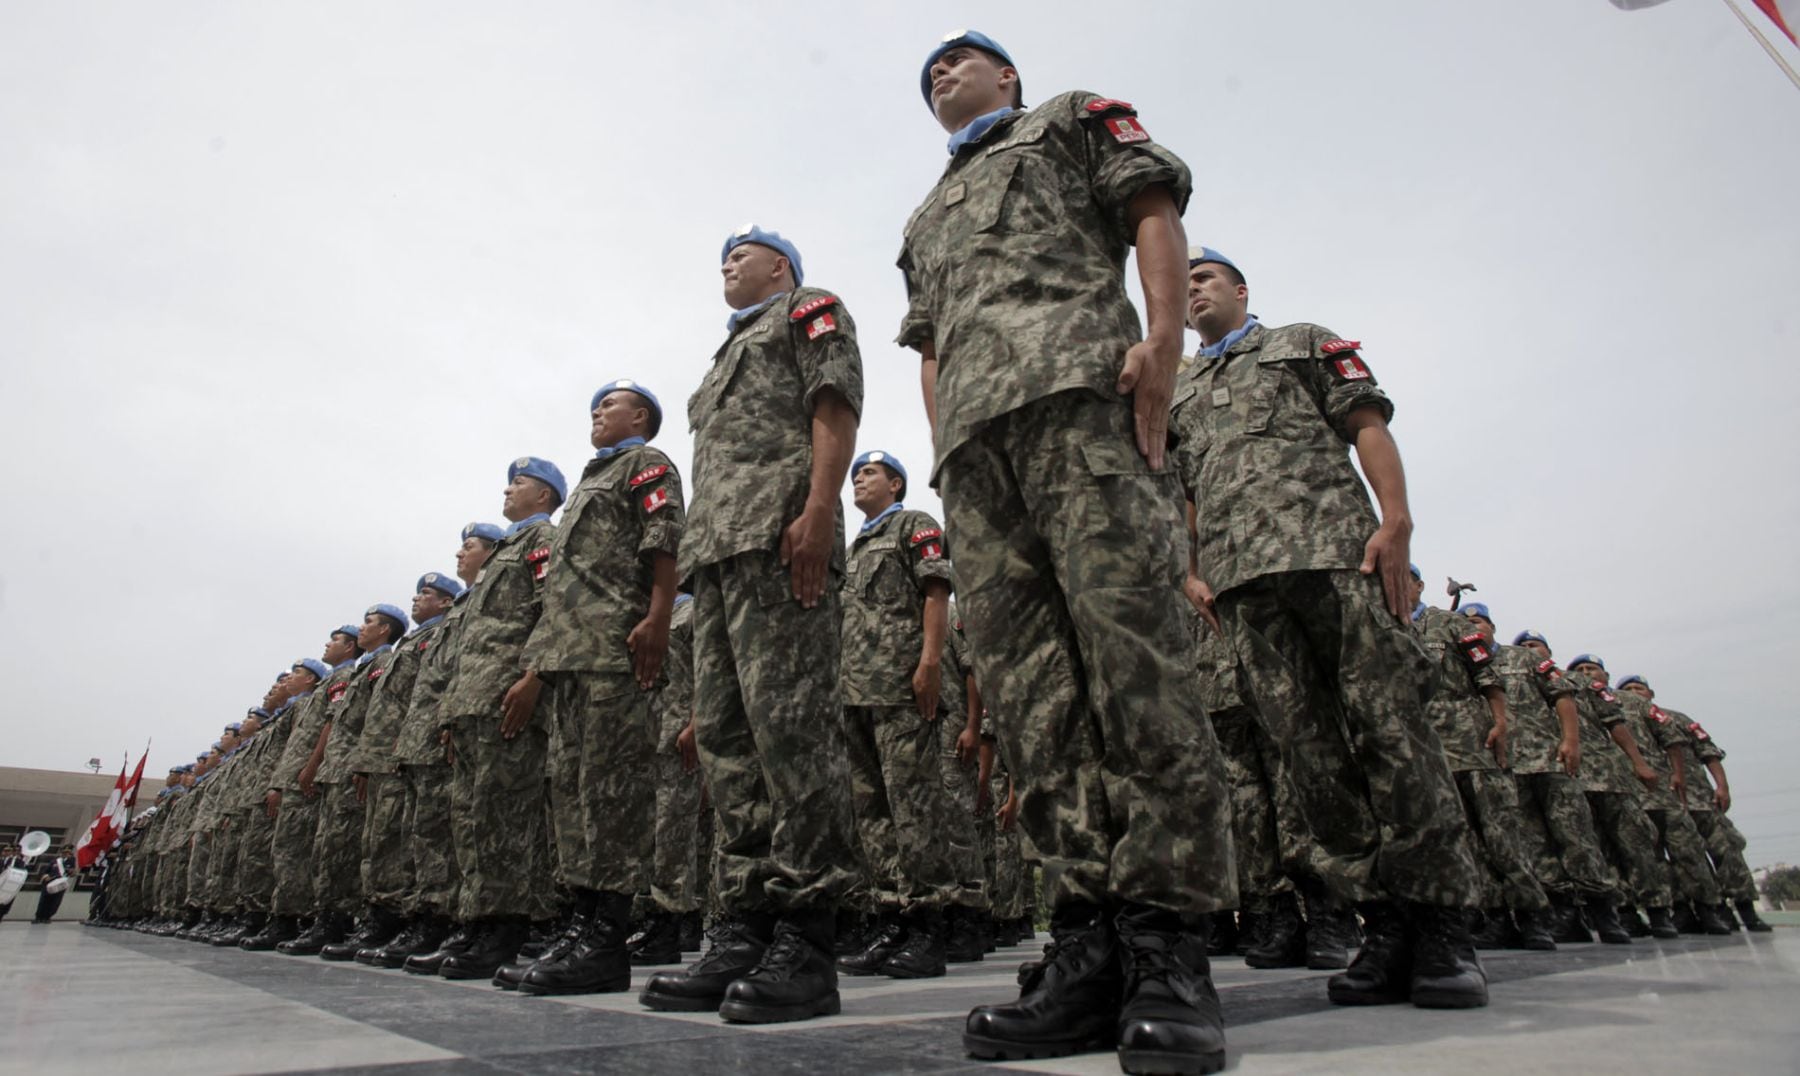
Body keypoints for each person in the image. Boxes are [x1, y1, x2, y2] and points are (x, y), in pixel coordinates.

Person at [900, 32, 1234, 1071]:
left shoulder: (1070, 119)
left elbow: (1152, 213)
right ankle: (1086, 938)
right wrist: (944, 451)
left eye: (962, 61)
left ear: (1009, 77)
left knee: (1136, 665)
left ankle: (1169, 945)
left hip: (1082, 407)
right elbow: (934, 346)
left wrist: (1166, 342)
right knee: (1035, 697)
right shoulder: (922, 218)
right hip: (977, 456)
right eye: (928, 77)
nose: (941, 76)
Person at [1172, 246, 1486, 1013]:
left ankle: (1441, 925)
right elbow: (1179, 490)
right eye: (1180, 284)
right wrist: (1189, 568)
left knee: (1393, 734)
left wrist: (1397, 518)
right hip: (1245, 589)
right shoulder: (1175, 391)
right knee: (1307, 756)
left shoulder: (1302, 343)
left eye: (1204, 277)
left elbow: (1366, 422)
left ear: (1241, 288)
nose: (1191, 291)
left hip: (1337, 558)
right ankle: (1381, 920)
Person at [639, 224, 862, 1025]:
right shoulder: (720, 360)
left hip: (780, 541)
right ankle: (744, 924)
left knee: (791, 734)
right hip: (719, 557)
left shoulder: (810, 308)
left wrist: (817, 510)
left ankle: (806, 932)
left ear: (783, 266)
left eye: (745, 252)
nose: (729, 261)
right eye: (722, 256)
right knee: (731, 747)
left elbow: (833, 406)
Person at [507, 381, 685, 996]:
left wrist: (659, 616)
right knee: (574, 796)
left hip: (615, 650)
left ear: (641, 417)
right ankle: (580, 923)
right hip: (570, 660)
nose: (597, 412)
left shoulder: (646, 464)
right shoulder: (588, 482)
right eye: (593, 406)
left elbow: (664, 535)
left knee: (610, 795)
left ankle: (605, 940)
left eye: (610, 404)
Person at [836, 449, 983, 979]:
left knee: (914, 808)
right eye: (854, 474)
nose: (857, 480)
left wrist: (928, 665)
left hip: (902, 688)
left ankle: (928, 922)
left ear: (895, 484)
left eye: (868, 473)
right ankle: (891, 917)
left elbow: (936, 592)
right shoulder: (853, 549)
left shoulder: (913, 525)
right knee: (873, 813)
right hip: (856, 693)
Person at [438, 457, 566, 978]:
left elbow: (554, 607)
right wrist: (451, 714)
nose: (508, 490)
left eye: (519, 484)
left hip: (507, 698)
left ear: (544, 496)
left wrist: (534, 680)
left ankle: (506, 927)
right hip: (474, 703)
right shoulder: (502, 556)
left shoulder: (542, 541)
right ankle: (478, 923)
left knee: (504, 821)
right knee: (471, 820)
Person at [397, 523, 505, 974]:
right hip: (450, 724)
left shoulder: (507, 576)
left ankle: (487, 926)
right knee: (445, 828)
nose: (460, 553)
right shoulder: (463, 608)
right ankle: (452, 921)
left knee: (482, 823)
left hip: (492, 712)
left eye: (470, 546)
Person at [1491, 630, 1635, 939]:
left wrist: (1571, 741)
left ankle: (1603, 910)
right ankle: (1564, 911)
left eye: (1479, 621)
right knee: (1535, 843)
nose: (1473, 627)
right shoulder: (1481, 662)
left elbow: (1562, 696)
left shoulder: (1529, 662)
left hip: (1551, 760)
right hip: (1512, 765)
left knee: (1576, 835)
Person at [348, 572, 462, 964]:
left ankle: (432, 920)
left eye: (427, 593)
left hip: (425, 745)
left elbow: (437, 687)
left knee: (426, 836)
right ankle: (394, 918)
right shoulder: (409, 645)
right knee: (393, 839)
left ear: (446, 601)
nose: (418, 599)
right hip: (399, 752)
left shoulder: (445, 631)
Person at [1615, 676, 1771, 932]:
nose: (1634, 693)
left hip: (1700, 798)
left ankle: (1743, 909)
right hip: (1650, 797)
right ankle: (1685, 909)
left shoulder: (1676, 718)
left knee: (1724, 851)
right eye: (1628, 690)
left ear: (1650, 692)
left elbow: (1708, 751)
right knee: (1665, 858)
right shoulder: (1618, 718)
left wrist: (1722, 786)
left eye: (1638, 688)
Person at [31, 846, 75, 923]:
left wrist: (72, 871)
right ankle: (38, 917)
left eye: (68, 853)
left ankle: (47, 917)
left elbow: (72, 873)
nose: (66, 854)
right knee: (44, 900)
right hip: (50, 882)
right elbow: (45, 871)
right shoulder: (54, 861)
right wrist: (45, 877)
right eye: (64, 852)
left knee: (55, 902)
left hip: (60, 884)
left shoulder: (71, 862)